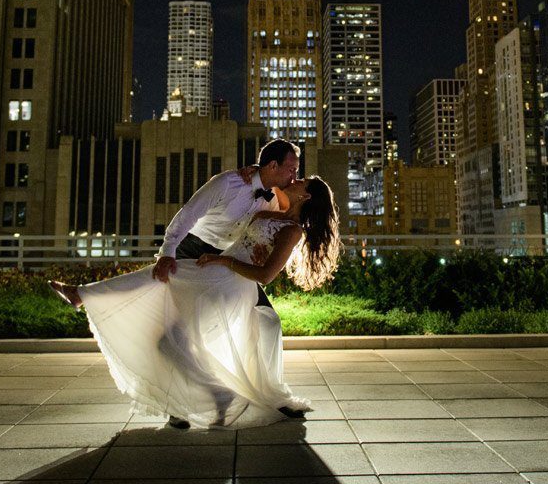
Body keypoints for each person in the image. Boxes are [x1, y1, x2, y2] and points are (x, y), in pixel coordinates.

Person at [48, 170, 340, 429]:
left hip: (230, 282)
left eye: (301, 180)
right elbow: (265, 178)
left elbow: (265, 275)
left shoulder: (293, 231)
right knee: (163, 287)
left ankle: (82, 294)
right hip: (214, 269)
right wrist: (250, 171)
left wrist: (223, 261)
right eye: (294, 171)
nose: (295, 178)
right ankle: (216, 395)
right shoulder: (272, 207)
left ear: (305, 195)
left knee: (168, 325)